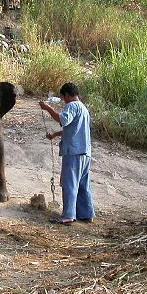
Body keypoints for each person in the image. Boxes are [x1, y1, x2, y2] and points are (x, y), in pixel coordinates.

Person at [39, 82, 95, 225]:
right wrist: (56, 134)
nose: (64, 100)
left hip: (73, 152)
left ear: (67, 95)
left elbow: (63, 119)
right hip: (85, 153)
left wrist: (47, 108)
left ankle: (68, 215)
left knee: (70, 184)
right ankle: (87, 214)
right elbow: (73, 129)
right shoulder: (84, 109)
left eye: (63, 97)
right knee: (83, 184)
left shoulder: (72, 106)